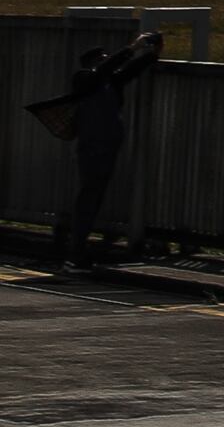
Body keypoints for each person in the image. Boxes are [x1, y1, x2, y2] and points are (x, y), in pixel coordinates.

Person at [28, 25, 166, 272]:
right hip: (92, 150)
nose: (106, 62)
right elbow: (105, 70)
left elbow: (129, 70)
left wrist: (152, 52)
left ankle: (78, 253)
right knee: (88, 200)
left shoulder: (110, 83)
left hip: (107, 148)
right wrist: (131, 48)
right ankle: (75, 255)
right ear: (91, 63)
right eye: (101, 59)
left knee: (94, 198)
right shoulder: (84, 79)